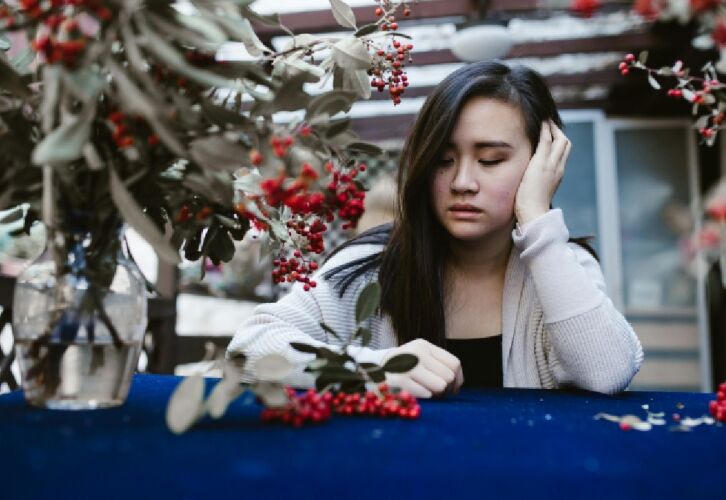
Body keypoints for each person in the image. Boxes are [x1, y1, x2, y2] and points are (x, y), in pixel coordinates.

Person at [227, 61, 643, 397]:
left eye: (491, 160)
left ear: (540, 164)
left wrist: (537, 215)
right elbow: (247, 350)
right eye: (444, 161)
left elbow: (607, 372)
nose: (462, 182)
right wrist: (370, 372)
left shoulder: (560, 269)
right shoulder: (372, 266)